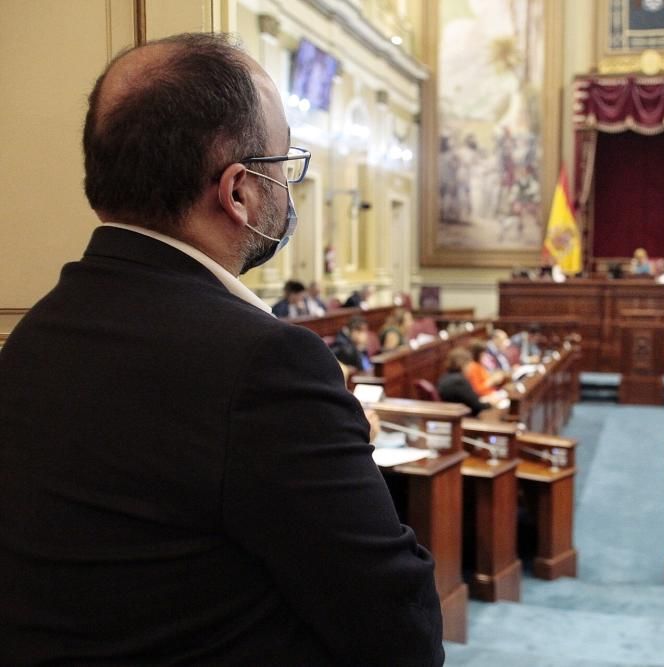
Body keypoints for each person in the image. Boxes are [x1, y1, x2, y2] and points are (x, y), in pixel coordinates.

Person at [0, 34, 442, 666]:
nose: (288, 185)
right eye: (282, 164)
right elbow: (402, 632)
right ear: (238, 192)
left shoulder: (36, 332)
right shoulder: (266, 364)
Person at [437, 348, 493, 417]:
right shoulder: (459, 381)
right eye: (470, 365)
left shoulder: (444, 377)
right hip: (464, 419)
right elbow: (477, 406)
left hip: (453, 414)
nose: (470, 369)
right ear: (464, 364)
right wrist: (492, 403)